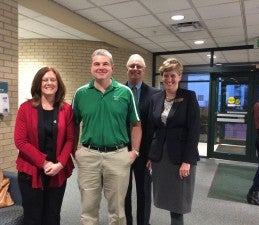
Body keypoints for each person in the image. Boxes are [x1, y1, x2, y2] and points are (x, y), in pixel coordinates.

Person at [72, 49, 142, 225]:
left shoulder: (125, 92)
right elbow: (72, 124)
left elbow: (136, 125)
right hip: (88, 156)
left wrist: (134, 152)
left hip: (117, 156)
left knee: (117, 211)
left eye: (105, 64)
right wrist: (75, 151)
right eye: (97, 64)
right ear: (91, 67)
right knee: (88, 210)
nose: (101, 67)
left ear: (112, 67)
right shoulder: (81, 93)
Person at [14, 66, 75, 225]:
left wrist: (60, 164)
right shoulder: (25, 108)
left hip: (57, 171)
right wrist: (44, 162)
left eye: (53, 80)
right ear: (38, 84)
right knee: (33, 217)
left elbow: (70, 139)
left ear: (58, 84)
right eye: (45, 80)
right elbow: (20, 141)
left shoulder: (66, 109)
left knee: (53, 216)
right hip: (31, 172)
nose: (49, 83)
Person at [146, 58, 200, 225]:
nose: (169, 79)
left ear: (180, 76)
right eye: (166, 75)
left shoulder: (189, 97)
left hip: (180, 158)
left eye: (173, 75)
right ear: (161, 76)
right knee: (165, 198)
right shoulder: (155, 98)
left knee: (178, 203)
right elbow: (151, 129)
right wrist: (150, 156)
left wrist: (187, 161)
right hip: (161, 157)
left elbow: (194, 130)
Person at [124, 54, 160, 225]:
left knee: (144, 192)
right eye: (132, 66)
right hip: (121, 152)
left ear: (144, 70)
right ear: (127, 68)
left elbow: (157, 127)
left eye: (139, 66)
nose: (135, 69)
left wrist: (153, 155)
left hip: (145, 154)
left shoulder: (155, 94)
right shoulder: (117, 91)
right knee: (123, 192)